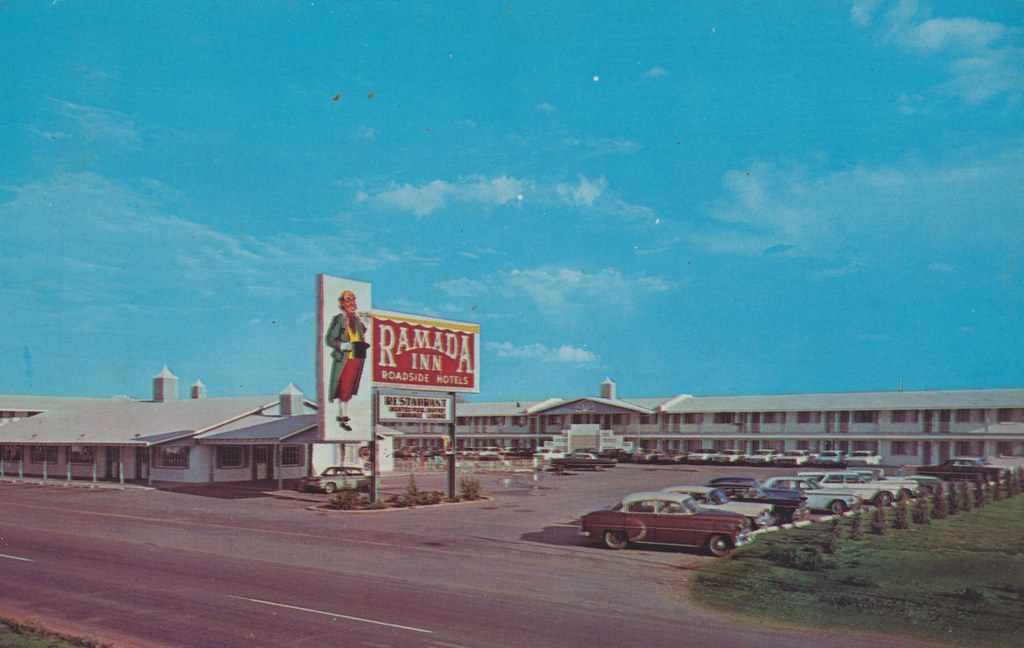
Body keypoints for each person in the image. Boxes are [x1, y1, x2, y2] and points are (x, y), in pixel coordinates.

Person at [325, 290, 369, 431]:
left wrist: (365, 322)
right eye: (348, 300)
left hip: (358, 356)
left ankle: (344, 413)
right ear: (342, 303)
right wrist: (342, 345)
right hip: (345, 359)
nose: (352, 303)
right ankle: (342, 415)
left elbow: (361, 333)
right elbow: (330, 339)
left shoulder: (357, 320)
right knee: (343, 387)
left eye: (353, 300)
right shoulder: (339, 319)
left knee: (350, 388)